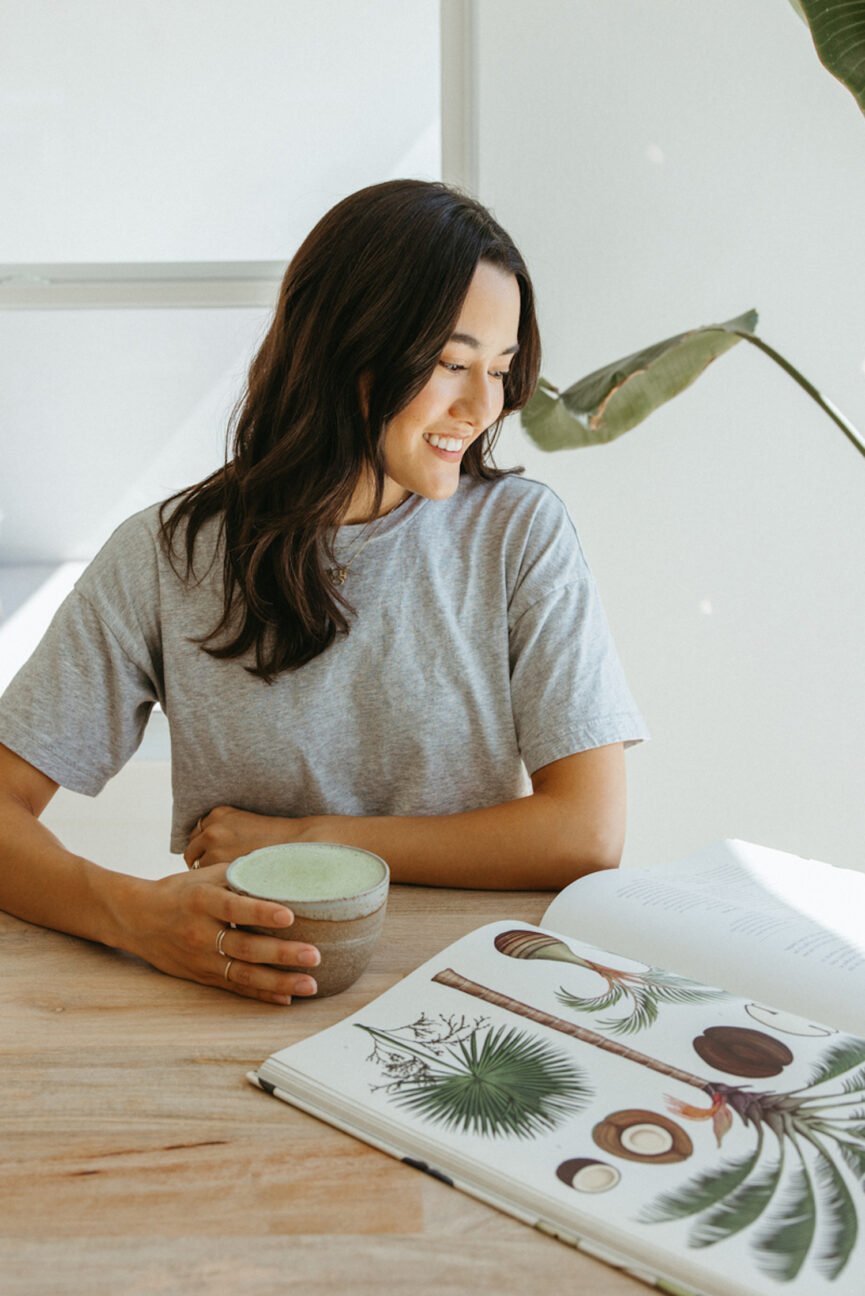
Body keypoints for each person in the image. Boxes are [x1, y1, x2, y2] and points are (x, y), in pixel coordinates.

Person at [0, 178, 648, 1006]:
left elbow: (584, 834)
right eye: (452, 364)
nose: (484, 406)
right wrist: (135, 916)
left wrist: (311, 838)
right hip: (239, 991)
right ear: (348, 349)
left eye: (500, 367)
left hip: (471, 992)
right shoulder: (166, 558)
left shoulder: (519, 534)